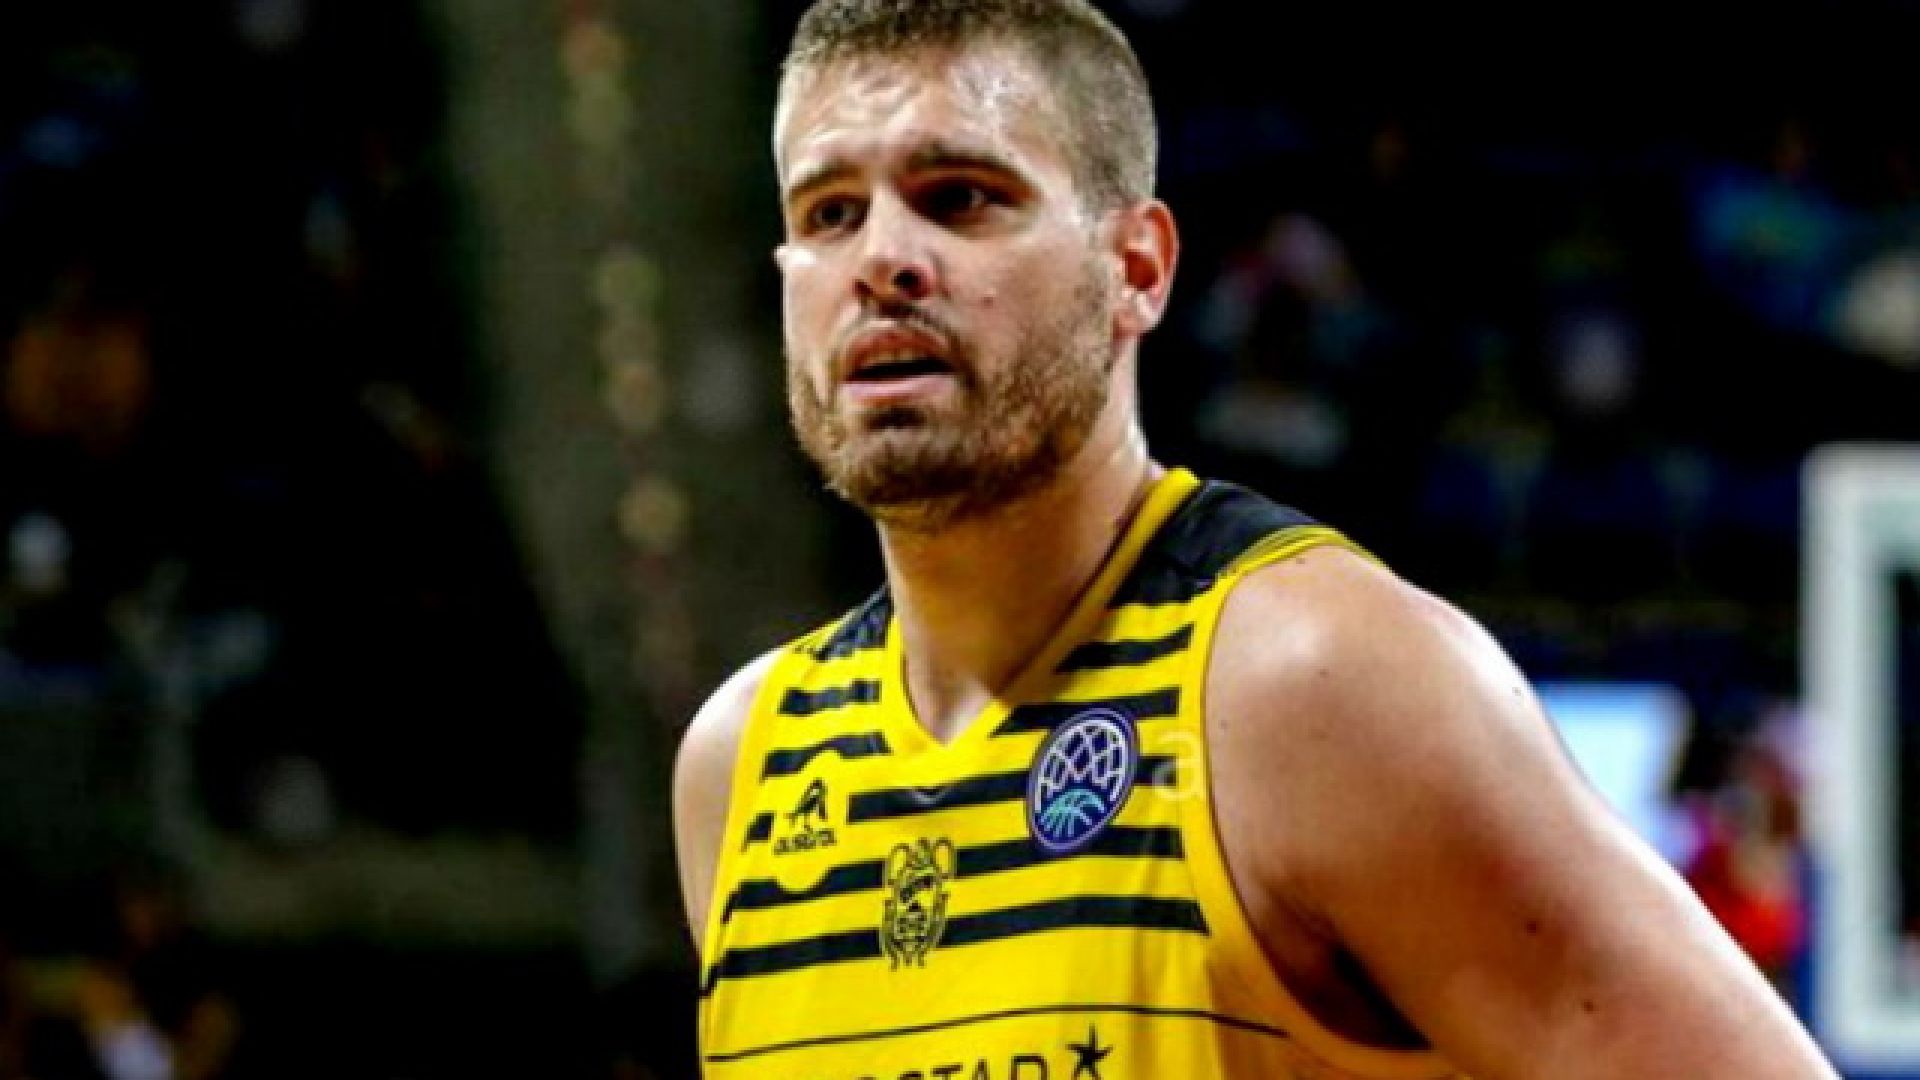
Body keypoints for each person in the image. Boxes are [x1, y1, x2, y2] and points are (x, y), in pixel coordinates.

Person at [672, 1, 1840, 1076]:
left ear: (1136, 269)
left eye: (962, 196)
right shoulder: (743, 769)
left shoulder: (1311, 685)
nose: (881, 260)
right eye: (829, 214)